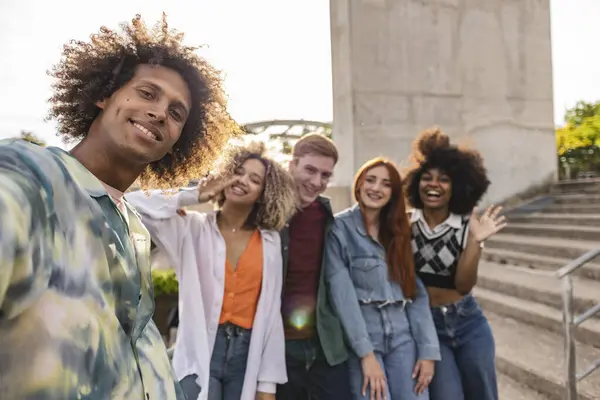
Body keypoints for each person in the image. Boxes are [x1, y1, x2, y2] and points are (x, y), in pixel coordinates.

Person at [0, 13, 235, 400]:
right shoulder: (29, 174)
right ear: (104, 94)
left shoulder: (134, 228)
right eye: (147, 93)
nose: (160, 112)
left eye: (177, 113)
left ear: (178, 141)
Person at [126, 141, 297, 400]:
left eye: (255, 179)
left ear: (264, 192)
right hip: (201, 350)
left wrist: (268, 384)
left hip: (247, 352)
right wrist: (194, 195)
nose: (243, 181)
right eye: (237, 172)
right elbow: (132, 203)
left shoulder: (271, 242)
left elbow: (271, 314)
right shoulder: (191, 229)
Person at [404, 127, 507, 400]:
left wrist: (475, 242)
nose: (434, 184)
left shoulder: (466, 226)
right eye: (426, 178)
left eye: (444, 179)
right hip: (430, 327)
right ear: (417, 184)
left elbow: (463, 284)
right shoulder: (405, 225)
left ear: (456, 186)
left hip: (468, 323)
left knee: (483, 394)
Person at [324, 158, 440, 400]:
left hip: (403, 338)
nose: (376, 188)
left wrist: (427, 352)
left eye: (386, 184)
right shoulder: (339, 228)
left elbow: (415, 293)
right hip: (365, 337)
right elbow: (342, 296)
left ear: (393, 193)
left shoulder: (400, 230)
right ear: (359, 184)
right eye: (371, 180)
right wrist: (366, 355)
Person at [276, 133, 351, 400]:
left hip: (323, 343)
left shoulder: (326, 215)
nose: (317, 182)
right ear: (292, 164)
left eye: (325, 175)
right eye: (310, 170)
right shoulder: (265, 211)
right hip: (277, 346)